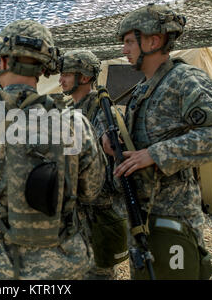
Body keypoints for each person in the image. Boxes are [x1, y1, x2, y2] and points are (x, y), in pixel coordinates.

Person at [0, 20, 106, 280]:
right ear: (45, 67)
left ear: (2, 61)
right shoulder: (75, 124)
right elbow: (90, 191)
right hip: (63, 268)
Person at [102, 3, 212, 279]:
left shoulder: (184, 79)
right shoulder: (142, 90)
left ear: (153, 40)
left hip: (174, 220)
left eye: (128, 42)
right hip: (144, 221)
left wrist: (156, 154)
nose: (123, 50)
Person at [59, 49, 128, 280]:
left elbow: (113, 159)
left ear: (85, 77)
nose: (61, 80)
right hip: (73, 209)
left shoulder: (102, 111)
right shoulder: (69, 111)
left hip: (96, 210)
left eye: (67, 74)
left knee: (97, 272)